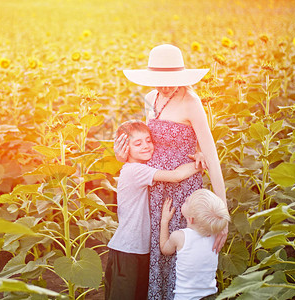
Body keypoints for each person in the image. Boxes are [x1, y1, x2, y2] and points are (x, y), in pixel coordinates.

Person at [115, 44, 227, 299]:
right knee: (161, 246)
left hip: (185, 186)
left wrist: (223, 214)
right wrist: (124, 156)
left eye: (171, 81)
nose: (164, 87)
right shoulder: (150, 99)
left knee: (185, 247)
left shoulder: (191, 102)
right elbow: (145, 140)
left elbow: (211, 154)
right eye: (159, 81)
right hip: (157, 187)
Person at [105, 120, 204, 300]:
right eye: (138, 143)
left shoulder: (142, 167)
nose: (146, 146)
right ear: (125, 147)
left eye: (149, 140)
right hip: (127, 250)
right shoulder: (134, 170)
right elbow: (176, 176)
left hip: (140, 250)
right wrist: (202, 162)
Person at [160, 189, 230, 300]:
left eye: (187, 202)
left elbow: (164, 249)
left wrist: (164, 221)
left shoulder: (179, 236)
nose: (186, 198)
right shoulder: (215, 237)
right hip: (210, 296)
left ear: (191, 219)